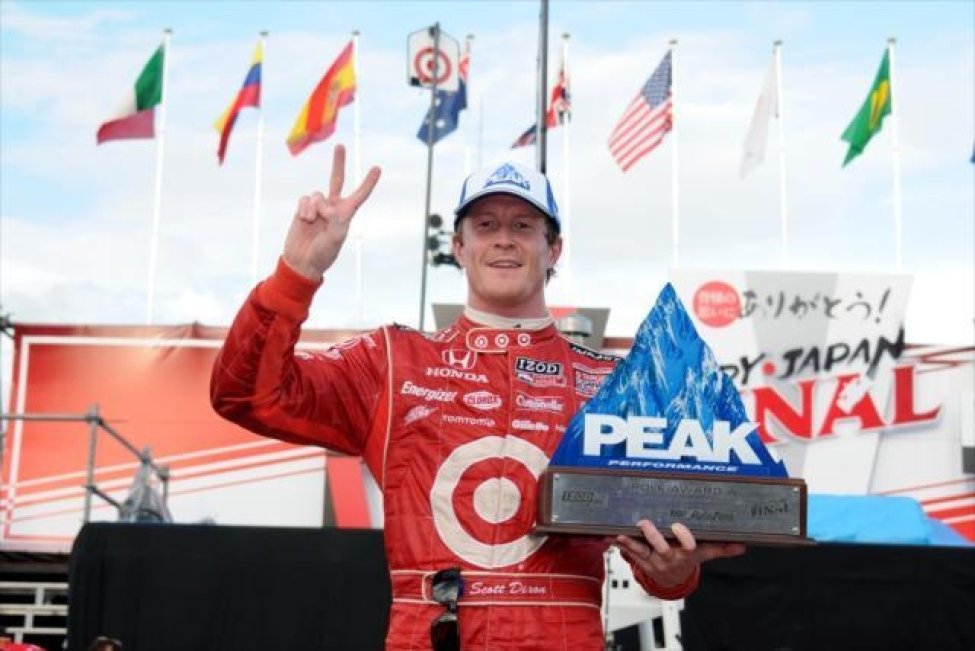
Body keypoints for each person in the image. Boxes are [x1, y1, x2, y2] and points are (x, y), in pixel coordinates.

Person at [211, 147, 745, 650]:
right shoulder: (391, 361)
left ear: (553, 247)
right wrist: (297, 272)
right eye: (485, 226)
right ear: (459, 247)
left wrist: (675, 571)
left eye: (523, 226)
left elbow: (661, 559)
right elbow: (245, 395)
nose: (504, 240)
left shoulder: (614, 384)